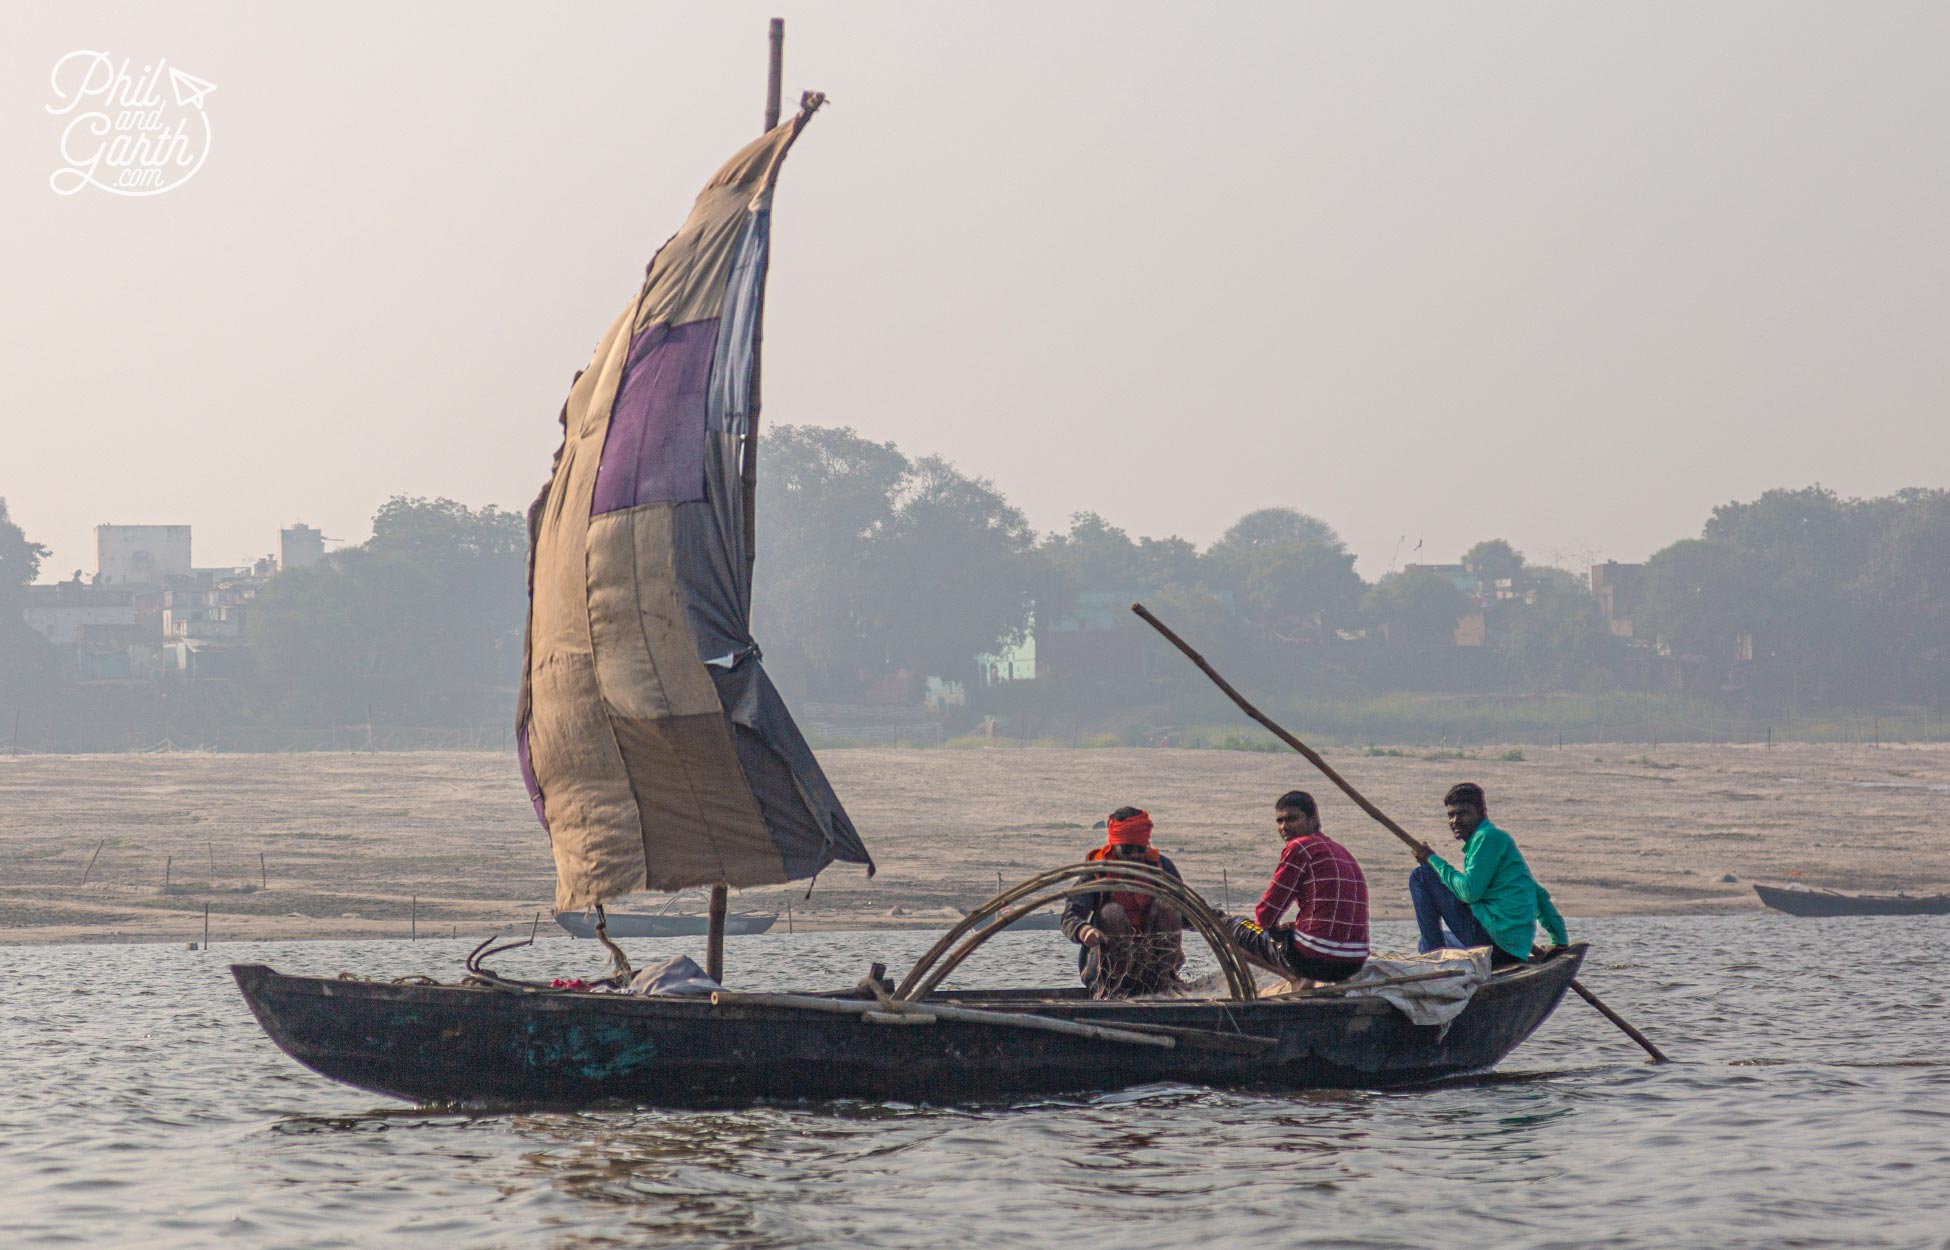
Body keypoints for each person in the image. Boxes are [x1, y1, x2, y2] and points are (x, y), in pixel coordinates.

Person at [1409, 782, 1568, 968]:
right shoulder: (1498, 840)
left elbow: (1469, 892)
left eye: (1463, 813)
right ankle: (1437, 956)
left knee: (1421, 876)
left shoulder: (1486, 837)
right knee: (1431, 941)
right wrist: (1560, 940)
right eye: (1451, 815)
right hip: (1512, 950)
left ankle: (1433, 965)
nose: (1455, 821)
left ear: (1480, 812)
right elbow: (1537, 894)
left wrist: (1433, 861)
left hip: (1494, 946)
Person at [1221, 790, 1368, 984]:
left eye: (1292, 819)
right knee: (1298, 936)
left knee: (1229, 929)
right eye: (1279, 821)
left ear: (1312, 818)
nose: (1284, 827)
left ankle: (1293, 977)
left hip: (1314, 958)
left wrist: (1273, 930)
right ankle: (1314, 982)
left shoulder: (1300, 847)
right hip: (1353, 961)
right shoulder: (1340, 850)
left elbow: (1266, 915)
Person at [1060, 807, 1186, 997]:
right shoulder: (1098, 870)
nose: (1135, 855)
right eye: (1127, 849)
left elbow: (1188, 912)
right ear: (1114, 845)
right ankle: (1115, 989)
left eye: (1141, 849)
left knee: (1167, 906)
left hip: (1152, 964)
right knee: (1112, 912)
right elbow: (1070, 916)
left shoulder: (1161, 867)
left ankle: (1165, 983)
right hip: (1106, 971)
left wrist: (1224, 925)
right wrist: (1084, 931)